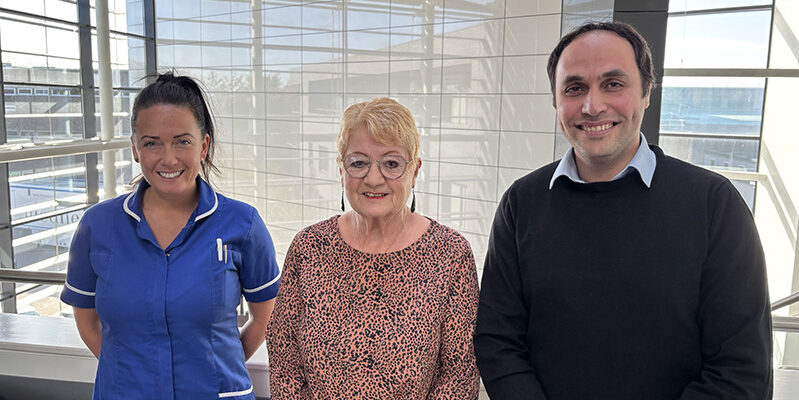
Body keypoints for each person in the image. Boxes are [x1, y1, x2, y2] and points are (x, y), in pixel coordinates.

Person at [474, 22, 772, 400]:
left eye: (613, 84)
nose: (592, 105)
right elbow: (498, 342)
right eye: (574, 87)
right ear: (555, 101)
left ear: (647, 92)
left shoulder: (714, 204)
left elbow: (741, 370)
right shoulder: (522, 203)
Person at [60, 73, 280, 399]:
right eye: (152, 143)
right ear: (135, 148)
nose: (168, 158)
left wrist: (216, 373)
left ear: (203, 145)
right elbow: (88, 323)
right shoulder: (98, 226)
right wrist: (132, 379)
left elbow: (266, 318)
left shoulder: (242, 224)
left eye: (182, 141)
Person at [267, 97, 480, 399]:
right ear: (341, 169)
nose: (374, 178)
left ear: (415, 171)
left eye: (391, 163)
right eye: (359, 163)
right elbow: (284, 357)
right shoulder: (308, 248)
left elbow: (458, 376)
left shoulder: (450, 254)